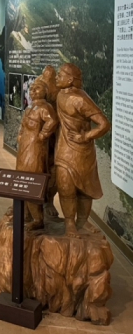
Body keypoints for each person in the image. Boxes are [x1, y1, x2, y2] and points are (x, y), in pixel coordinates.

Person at [54, 63, 110, 237]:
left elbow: (104, 124)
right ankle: (70, 223)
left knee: (85, 189)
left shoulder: (81, 99)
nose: (57, 77)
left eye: (60, 74)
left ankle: (82, 222)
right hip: (64, 149)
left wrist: (85, 136)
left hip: (82, 152)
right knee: (65, 186)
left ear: (70, 79)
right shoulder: (60, 94)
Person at [16, 79, 58, 230]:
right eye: (32, 88)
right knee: (21, 175)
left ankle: (38, 219)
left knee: (33, 177)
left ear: (45, 92)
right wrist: (21, 134)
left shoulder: (45, 107)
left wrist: (42, 135)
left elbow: (52, 121)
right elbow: (23, 124)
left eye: (37, 88)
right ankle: (26, 213)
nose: (33, 91)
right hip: (25, 147)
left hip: (36, 149)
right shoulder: (30, 107)